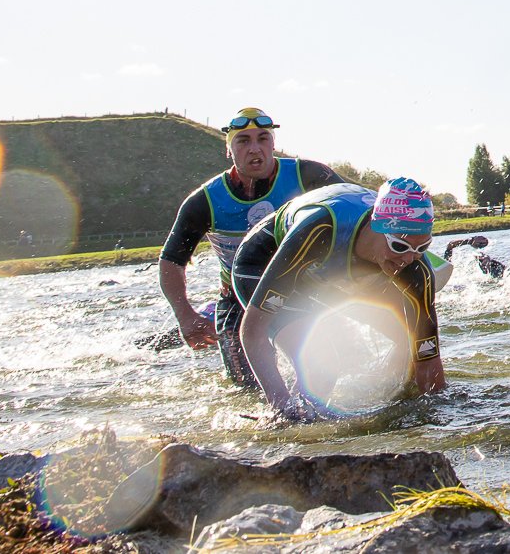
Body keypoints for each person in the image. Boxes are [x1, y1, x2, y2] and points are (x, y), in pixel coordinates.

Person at [232, 178, 446, 422]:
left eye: (421, 248)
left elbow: (429, 359)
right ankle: (289, 422)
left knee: (409, 341)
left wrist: (437, 411)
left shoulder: (415, 267)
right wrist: (279, 403)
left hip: (326, 271)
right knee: (323, 369)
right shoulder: (319, 230)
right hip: (262, 261)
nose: (408, 259)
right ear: (376, 226)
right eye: (399, 246)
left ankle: (389, 400)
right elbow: (252, 330)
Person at [158, 108, 341, 387]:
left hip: (301, 290)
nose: (255, 149)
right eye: (243, 141)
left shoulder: (308, 175)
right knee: (246, 385)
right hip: (239, 298)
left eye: (262, 139)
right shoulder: (205, 200)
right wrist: (185, 315)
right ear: (229, 150)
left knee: (327, 370)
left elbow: (357, 210)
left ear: (273, 143)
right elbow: (171, 261)